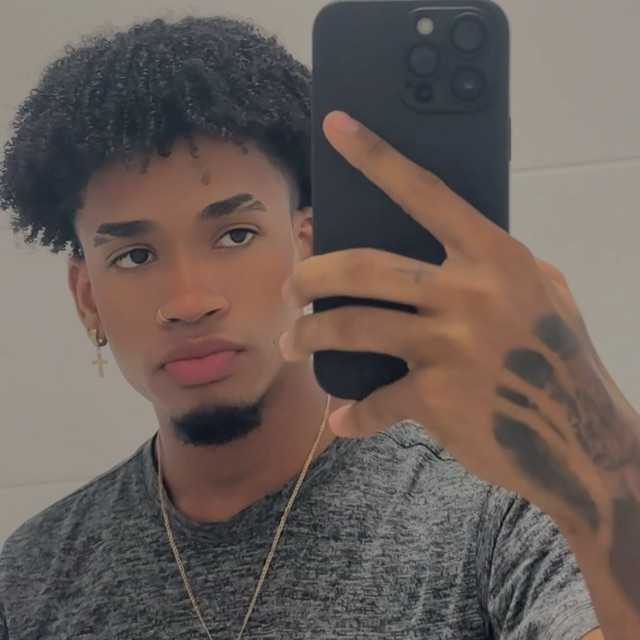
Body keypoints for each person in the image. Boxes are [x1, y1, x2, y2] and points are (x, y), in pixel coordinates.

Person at [0, 15, 603, 639]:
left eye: (235, 235)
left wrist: (603, 447)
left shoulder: (493, 510)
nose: (188, 301)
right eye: (134, 256)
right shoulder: (31, 579)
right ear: (87, 297)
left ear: (307, 243)